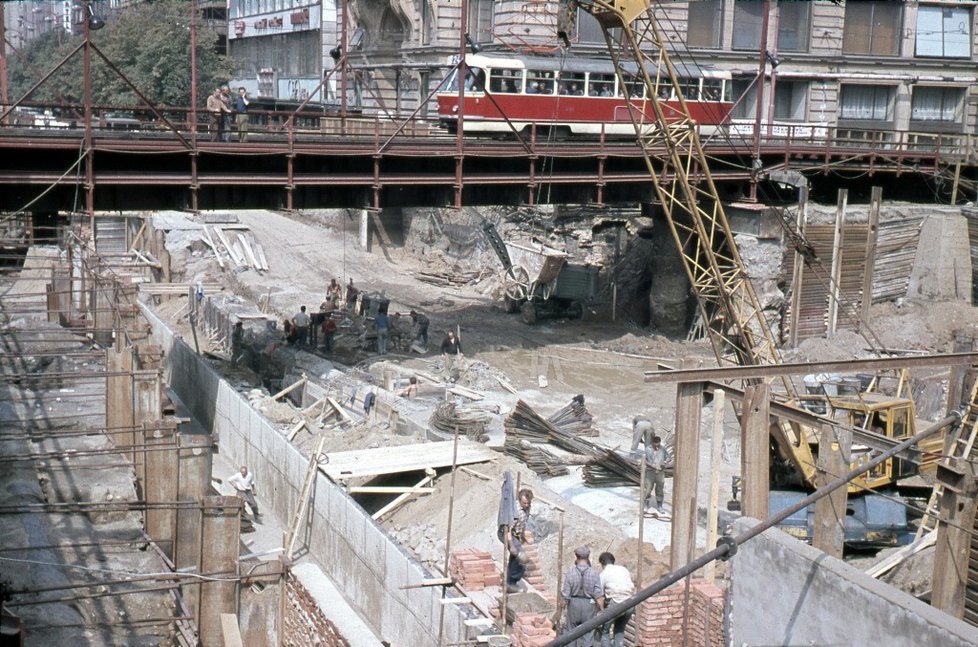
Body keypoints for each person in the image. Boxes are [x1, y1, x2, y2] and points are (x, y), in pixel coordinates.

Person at [560, 546, 603, 646]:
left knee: (571, 633)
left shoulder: (570, 573)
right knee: (588, 632)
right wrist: (601, 609)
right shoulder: (594, 573)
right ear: (588, 557)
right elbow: (598, 596)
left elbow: (565, 595)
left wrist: (562, 609)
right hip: (589, 605)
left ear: (576, 557)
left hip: (574, 604)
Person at [596, 552, 634, 647]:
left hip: (615, 603)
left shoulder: (603, 574)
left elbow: (599, 596)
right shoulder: (624, 569)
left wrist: (602, 610)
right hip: (630, 603)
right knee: (619, 631)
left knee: (605, 631)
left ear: (602, 563)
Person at [500, 488, 533, 593]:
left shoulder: (527, 508)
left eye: (528, 503)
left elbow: (523, 522)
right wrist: (512, 546)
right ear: (519, 500)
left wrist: (522, 535)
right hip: (505, 533)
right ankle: (511, 583)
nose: (526, 505)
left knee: (514, 559)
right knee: (521, 557)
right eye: (524, 503)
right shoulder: (514, 511)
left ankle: (508, 581)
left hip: (514, 534)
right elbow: (507, 530)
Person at [642, 435, 669, 514]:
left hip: (660, 472)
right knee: (648, 489)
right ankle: (646, 505)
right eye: (655, 444)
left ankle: (659, 506)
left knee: (659, 490)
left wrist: (665, 462)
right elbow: (644, 460)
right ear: (652, 443)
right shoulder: (648, 449)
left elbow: (668, 457)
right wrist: (650, 464)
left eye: (658, 444)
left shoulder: (663, 449)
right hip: (650, 472)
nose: (657, 445)